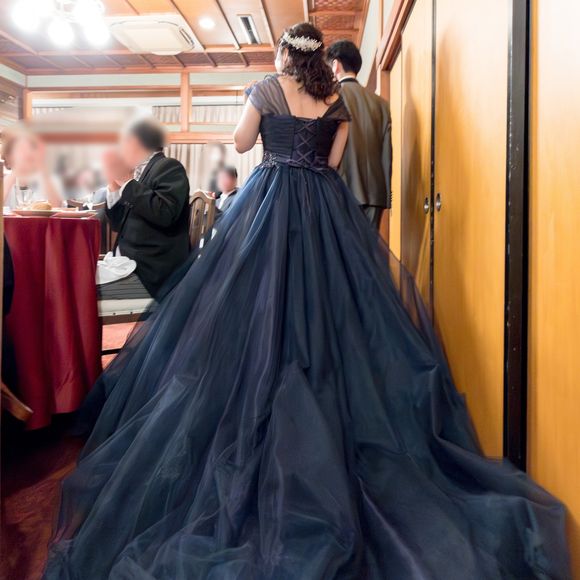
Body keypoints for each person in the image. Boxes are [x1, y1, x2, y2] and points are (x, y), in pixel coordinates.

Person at [44, 23, 569, 580]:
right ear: (320, 58)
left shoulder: (267, 88)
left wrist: (269, 130)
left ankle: (260, 392)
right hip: (323, 210)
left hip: (270, 205)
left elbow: (241, 144)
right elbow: (334, 164)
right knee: (329, 307)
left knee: (251, 305)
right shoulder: (335, 100)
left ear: (282, 54)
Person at [100, 119, 190, 300]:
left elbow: (165, 214)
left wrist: (127, 182)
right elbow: (117, 225)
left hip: (150, 268)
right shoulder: (138, 171)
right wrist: (114, 188)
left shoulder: (169, 166)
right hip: (126, 261)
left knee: (81, 289)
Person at [327, 40, 392, 229]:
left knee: (340, 247)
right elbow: (387, 152)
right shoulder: (381, 104)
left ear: (335, 65)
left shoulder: (330, 99)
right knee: (368, 246)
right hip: (376, 193)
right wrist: (386, 193)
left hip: (340, 189)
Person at [1, 127, 62, 209]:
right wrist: (16, 172)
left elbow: (56, 207)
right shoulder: (4, 182)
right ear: (8, 157)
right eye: (20, 149)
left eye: (31, 148)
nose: (27, 154)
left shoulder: (49, 180)